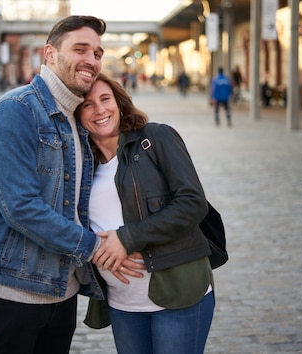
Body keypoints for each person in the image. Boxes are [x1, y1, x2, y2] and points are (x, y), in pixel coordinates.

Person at [0, 15, 109, 354]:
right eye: (80, 49)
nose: (92, 60)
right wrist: (94, 247)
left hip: (60, 291)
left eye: (98, 53)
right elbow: (21, 207)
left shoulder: (76, 117)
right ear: (50, 54)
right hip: (8, 292)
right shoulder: (18, 109)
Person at [76, 73, 215, 354]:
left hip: (177, 296)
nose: (100, 109)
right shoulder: (80, 165)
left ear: (119, 102)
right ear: (77, 115)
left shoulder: (155, 137)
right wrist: (94, 248)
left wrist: (126, 239)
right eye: (88, 105)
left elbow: (192, 202)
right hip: (122, 304)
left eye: (105, 99)